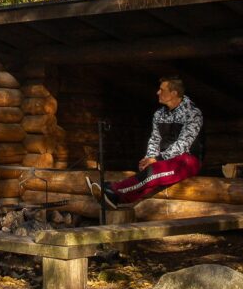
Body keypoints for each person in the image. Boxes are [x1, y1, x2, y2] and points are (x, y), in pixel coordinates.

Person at [87, 76, 203, 209]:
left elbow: (184, 143)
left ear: (174, 93)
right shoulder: (159, 114)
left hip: (187, 160)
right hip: (164, 159)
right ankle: (115, 197)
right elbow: (155, 139)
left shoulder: (193, 113)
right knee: (151, 174)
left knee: (154, 172)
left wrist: (156, 159)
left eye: (161, 90)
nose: (157, 92)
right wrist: (149, 158)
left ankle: (114, 190)